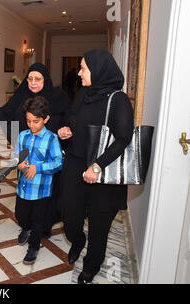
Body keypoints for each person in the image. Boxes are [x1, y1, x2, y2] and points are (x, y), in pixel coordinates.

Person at [57, 49, 134, 284]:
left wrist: (98, 166)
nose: (79, 73)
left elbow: (123, 138)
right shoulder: (83, 95)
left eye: (83, 68)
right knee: (68, 212)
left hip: (103, 169)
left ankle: (91, 266)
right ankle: (77, 240)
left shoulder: (118, 99)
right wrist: (65, 132)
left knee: (100, 224)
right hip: (76, 162)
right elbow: (72, 119)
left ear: (98, 70)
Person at [0, 63, 70, 238]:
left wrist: (66, 132)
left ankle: (42, 227)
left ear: (45, 80)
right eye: (30, 78)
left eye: (38, 79)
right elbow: (3, 113)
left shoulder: (59, 97)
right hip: (26, 156)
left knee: (48, 196)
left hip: (48, 158)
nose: (33, 82)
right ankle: (27, 223)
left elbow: (70, 121)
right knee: (27, 193)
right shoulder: (21, 96)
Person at [15, 96, 63, 265]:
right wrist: (20, 164)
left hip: (41, 190)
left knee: (38, 222)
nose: (31, 125)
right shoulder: (22, 136)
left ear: (46, 119)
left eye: (36, 121)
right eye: (28, 121)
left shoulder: (52, 139)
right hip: (23, 188)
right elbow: (18, 156)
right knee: (20, 215)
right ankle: (25, 227)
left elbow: (58, 162)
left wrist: (38, 168)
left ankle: (33, 247)